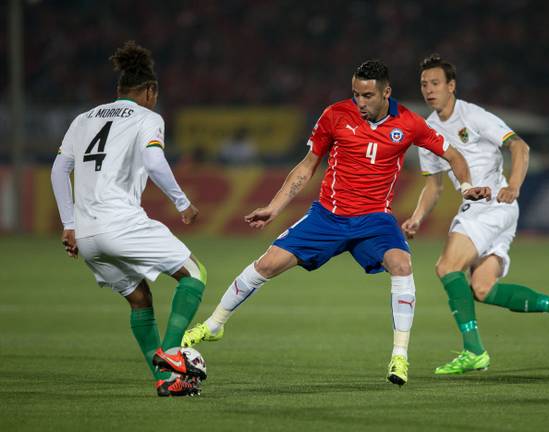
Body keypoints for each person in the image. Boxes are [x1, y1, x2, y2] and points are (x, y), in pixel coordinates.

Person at [181, 59, 490, 386]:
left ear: (386, 92)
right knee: (267, 264)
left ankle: (400, 356)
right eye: (356, 94)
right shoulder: (334, 115)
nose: (360, 102)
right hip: (329, 216)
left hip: (374, 219)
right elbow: (307, 165)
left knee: (402, 265)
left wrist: (467, 188)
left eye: (368, 96)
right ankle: (215, 324)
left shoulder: (410, 123)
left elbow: (454, 156)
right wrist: (275, 206)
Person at [401, 54, 549, 375]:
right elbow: (434, 186)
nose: (429, 90)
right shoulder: (427, 133)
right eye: (423, 85)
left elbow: (520, 147)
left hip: (491, 205)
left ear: (451, 86)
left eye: (435, 83)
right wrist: (418, 217)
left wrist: (514, 184)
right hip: (488, 211)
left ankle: (474, 351)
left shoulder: (472, 115)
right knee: (482, 289)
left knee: (447, 267)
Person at [51, 41, 208, 396]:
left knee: (140, 298)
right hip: (121, 223)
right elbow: (154, 162)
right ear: (150, 91)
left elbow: (59, 170)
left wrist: (69, 224)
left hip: (88, 235)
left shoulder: (83, 119)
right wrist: (182, 203)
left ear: (118, 90)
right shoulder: (148, 118)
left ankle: (168, 382)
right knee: (195, 275)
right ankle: (171, 356)